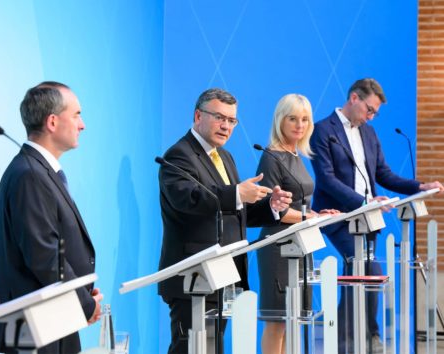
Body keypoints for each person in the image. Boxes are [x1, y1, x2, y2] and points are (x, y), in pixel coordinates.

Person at [310, 78, 444, 351]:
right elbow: (326, 180)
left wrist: (419, 186)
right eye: (369, 109)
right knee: (368, 270)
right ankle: (369, 336)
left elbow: (384, 174)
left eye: (375, 113)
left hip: (368, 219)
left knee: (360, 275)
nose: (371, 117)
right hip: (338, 216)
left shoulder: (369, 134)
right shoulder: (323, 130)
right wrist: (365, 201)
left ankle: (347, 338)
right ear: (354, 98)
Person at [158, 88, 293, 354]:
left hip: (223, 275)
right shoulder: (179, 155)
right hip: (193, 277)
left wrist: (271, 208)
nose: (226, 126)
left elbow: (235, 211)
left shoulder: (225, 157)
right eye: (220, 117)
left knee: (214, 348)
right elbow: (188, 200)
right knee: (190, 349)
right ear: (198, 115)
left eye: (232, 120)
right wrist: (237, 193)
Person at [0, 82, 102, 354]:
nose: (82, 124)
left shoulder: (39, 171)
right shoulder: (29, 174)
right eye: (76, 115)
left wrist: (83, 295)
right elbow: (45, 256)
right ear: (52, 121)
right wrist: (84, 304)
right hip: (33, 332)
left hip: (52, 323)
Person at [255, 94, 339, 354]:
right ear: (280, 120)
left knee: (295, 322)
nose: (299, 125)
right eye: (293, 118)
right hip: (277, 247)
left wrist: (317, 213)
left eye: (304, 119)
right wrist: (308, 217)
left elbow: (299, 205)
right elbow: (274, 209)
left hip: (300, 246)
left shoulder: (296, 155)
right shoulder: (271, 157)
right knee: (278, 323)